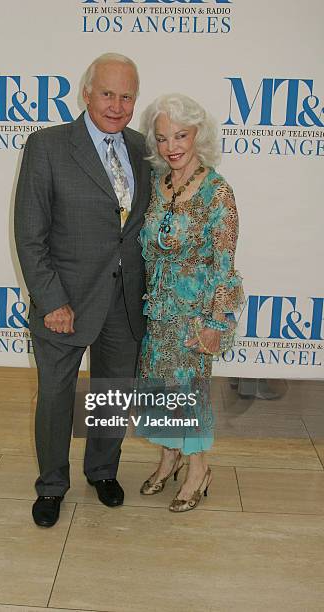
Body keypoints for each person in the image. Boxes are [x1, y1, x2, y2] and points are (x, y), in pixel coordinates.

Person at [14, 53, 151, 527]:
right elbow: (30, 234)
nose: (117, 105)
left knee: (113, 391)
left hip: (124, 301)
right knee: (56, 396)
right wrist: (51, 300)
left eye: (127, 96)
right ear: (87, 93)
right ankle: (52, 485)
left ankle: (102, 471)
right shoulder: (47, 146)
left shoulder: (141, 148)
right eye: (108, 93)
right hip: (64, 302)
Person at [137, 93, 243, 512]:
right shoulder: (159, 186)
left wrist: (216, 324)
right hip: (157, 313)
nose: (172, 146)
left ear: (199, 135)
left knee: (188, 393)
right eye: (162, 138)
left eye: (181, 135)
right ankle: (169, 457)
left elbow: (225, 266)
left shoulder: (218, 193)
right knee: (160, 390)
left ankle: (198, 468)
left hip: (194, 317)